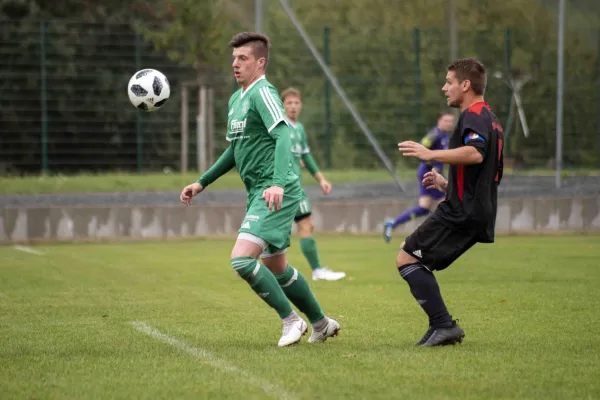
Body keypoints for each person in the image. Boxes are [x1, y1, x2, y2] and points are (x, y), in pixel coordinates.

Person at [180, 32, 340, 347]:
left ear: (260, 62)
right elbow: (234, 152)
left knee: (241, 259)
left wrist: (278, 182)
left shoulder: (263, 93)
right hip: (258, 192)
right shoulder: (235, 99)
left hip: (275, 190)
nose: (235, 65)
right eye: (234, 59)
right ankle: (321, 323)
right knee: (277, 269)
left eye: (243, 59)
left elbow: (283, 136)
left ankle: (291, 321)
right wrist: (202, 182)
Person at [396, 58, 504, 347]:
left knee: (408, 257)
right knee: (417, 261)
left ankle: (444, 326)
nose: (445, 88)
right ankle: (441, 326)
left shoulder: (475, 115)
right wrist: (448, 184)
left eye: (449, 82)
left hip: (462, 212)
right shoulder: (489, 117)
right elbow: (482, 168)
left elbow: (476, 153)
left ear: (465, 85)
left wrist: (430, 154)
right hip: (471, 207)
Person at [279, 87, 346, 281]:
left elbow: (306, 156)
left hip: (293, 186)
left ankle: (251, 262)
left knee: (295, 226)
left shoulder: (298, 129)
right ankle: (317, 271)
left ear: (301, 105)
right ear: (282, 106)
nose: (293, 107)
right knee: (304, 224)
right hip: (288, 187)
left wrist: (321, 179)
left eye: (296, 103)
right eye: (289, 103)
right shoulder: (281, 126)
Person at [383, 112, 455, 243]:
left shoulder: (445, 136)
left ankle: (392, 223)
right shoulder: (434, 134)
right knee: (450, 201)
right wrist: (431, 166)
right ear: (439, 121)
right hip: (428, 172)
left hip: (433, 173)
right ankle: (441, 236)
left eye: (451, 121)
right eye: (446, 120)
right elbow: (421, 147)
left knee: (424, 208)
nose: (449, 123)